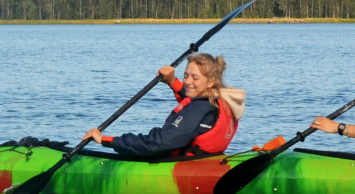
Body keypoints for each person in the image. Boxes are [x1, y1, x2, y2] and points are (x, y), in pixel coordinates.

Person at [81, 53, 246, 160]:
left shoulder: (198, 109)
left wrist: (107, 140)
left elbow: (157, 143)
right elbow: (194, 105)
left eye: (195, 78)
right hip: (207, 161)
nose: (188, 81)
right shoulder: (218, 102)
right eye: (186, 76)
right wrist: (173, 82)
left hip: (183, 167)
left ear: (210, 82)